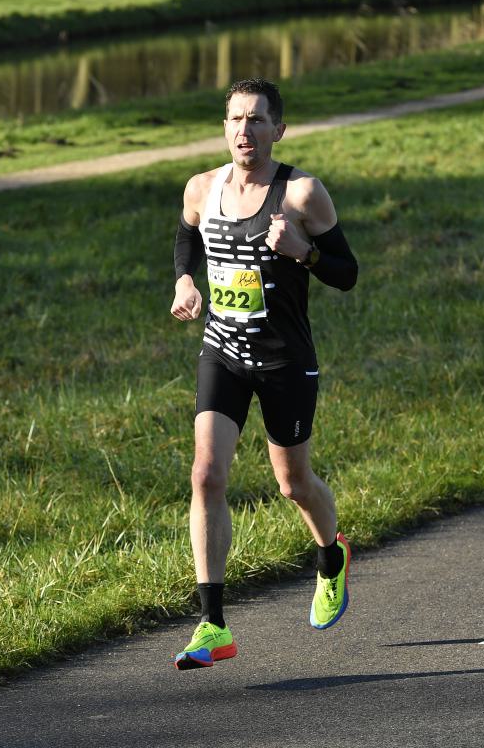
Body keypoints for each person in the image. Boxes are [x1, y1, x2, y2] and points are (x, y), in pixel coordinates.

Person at [169, 78, 359, 669]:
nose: (244, 130)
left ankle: (330, 556)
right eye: (235, 119)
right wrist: (184, 280)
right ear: (224, 127)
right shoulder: (202, 188)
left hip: (285, 360)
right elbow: (187, 233)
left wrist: (304, 252)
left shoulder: (302, 194)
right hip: (222, 352)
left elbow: (347, 272)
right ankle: (213, 625)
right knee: (206, 474)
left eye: (256, 120)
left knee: (292, 484)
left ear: (279, 129)